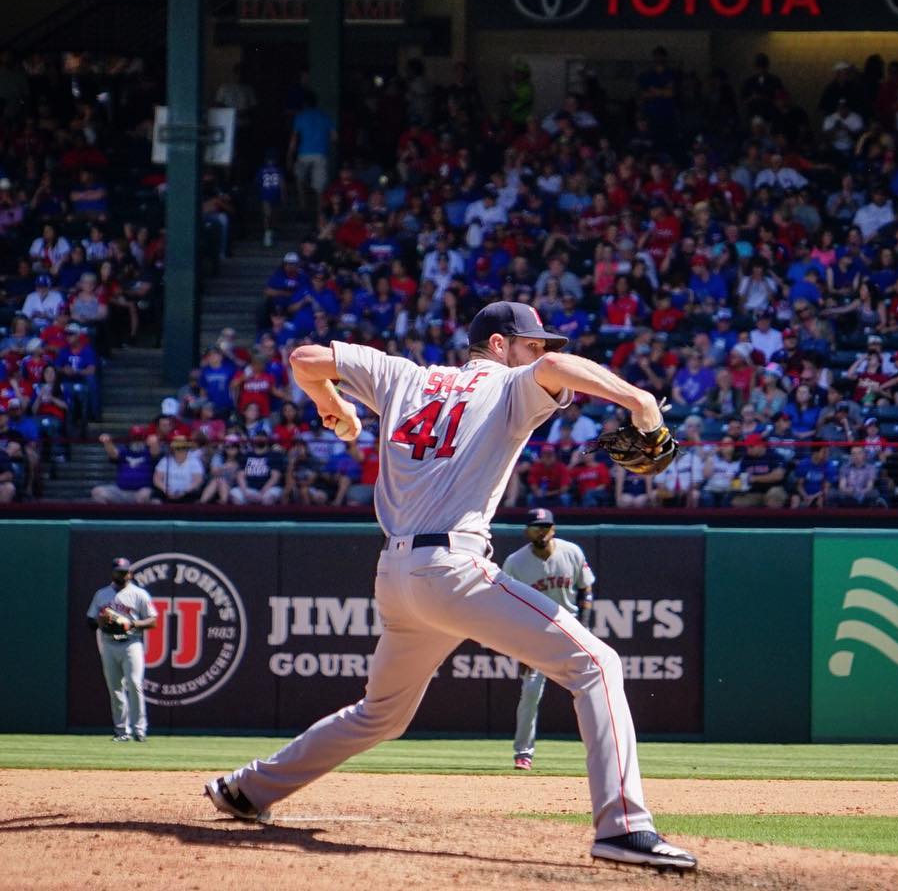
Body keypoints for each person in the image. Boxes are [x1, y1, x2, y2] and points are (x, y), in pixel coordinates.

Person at [204, 300, 696, 871]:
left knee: (381, 714)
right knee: (598, 664)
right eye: (532, 343)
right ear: (497, 345)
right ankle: (624, 828)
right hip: (452, 567)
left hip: (395, 574)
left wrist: (330, 404)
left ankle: (250, 789)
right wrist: (638, 401)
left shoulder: (402, 376)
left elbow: (305, 357)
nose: (541, 353)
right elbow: (556, 373)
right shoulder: (511, 386)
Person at [501, 508, 595, 771]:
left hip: (572, 629)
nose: (541, 531)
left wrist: (585, 628)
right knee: (530, 691)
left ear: (553, 528)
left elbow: (586, 588)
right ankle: (523, 753)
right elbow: (509, 608)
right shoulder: (515, 562)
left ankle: (603, 752)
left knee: (594, 688)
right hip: (536, 633)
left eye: (545, 526)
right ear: (526, 531)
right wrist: (519, 649)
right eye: (535, 526)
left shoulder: (572, 552)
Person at [85, 557, 158, 741]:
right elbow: (91, 620)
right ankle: (121, 731)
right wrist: (101, 622)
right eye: (119, 571)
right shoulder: (102, 594)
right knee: (115, 689)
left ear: (130, 573)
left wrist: (132, 623)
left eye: (125, 571)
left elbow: (153, 620)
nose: (122, 574)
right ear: (113, 573)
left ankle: (139, 730)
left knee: (135, 684)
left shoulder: (139, 594)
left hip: (131, 643)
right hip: (109, 643)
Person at [91, 431, 161, 504]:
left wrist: (154, 441)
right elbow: (113, 454)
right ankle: (111, 514)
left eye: (139, 439)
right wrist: (107, 441)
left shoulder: (149, 452)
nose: (137, 442)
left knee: (145, 496)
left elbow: (155, 451)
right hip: (121, 490)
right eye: (134, 439)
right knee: (97, 492)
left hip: (141, 491)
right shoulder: (124, 450)